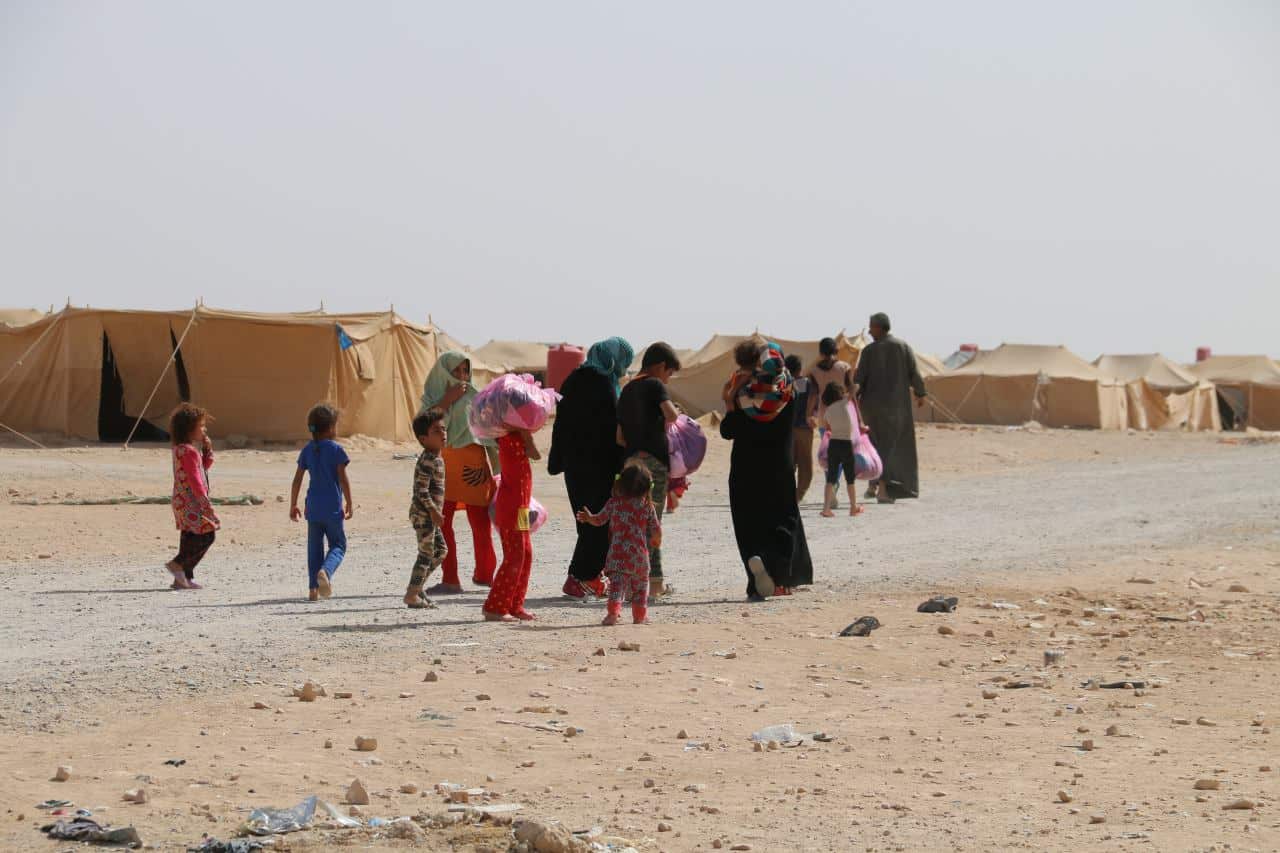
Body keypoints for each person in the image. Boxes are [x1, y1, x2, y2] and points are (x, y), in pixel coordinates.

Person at [719, 341, 813, 600]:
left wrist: (729, 403)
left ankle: (755, 578)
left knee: (748, 521)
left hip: (745, 466)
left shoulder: (739, 390)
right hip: (779, 465)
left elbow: (728, 431)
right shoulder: (786, 387)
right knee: (783, 518)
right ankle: (780, 580)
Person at [548, 336, 633, 600]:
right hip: (600, 465)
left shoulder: (573, 379)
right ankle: (580, 578)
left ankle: (591, 577)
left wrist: (557, 459)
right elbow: (612, 430)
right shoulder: (604, 386)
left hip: (575, 465)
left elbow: (560, 424)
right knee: (597, 521)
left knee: (587, 520)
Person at [420, 352, 498, 593]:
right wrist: (446, 400)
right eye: (456, 371)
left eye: (466, 371)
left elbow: (492, 435)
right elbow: (423, 425)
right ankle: (450, 578)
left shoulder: (477, 398)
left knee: (480, 522)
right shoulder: (432, 397)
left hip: (472, 466)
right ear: (443, 372)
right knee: (442, 523)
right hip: (443, 465)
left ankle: (485, 574)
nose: (462, 376)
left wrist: (498, 472)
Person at [616, 342, 681, 600]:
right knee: (653, 524)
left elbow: (620, 437)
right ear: (660, 366)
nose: (668, 378)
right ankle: (648, 586)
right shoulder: (655, 385)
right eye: (669, 373)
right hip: (653, 463)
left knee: (634, 523)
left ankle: (643, 584)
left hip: (631, 463)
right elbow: (672, 416)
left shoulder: (627, 388)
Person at [575, 460, 662, 626]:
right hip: (639, 557)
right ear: (647, 488)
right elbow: (656, 529)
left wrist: (588, 518)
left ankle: (613, 614)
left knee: (617, 588)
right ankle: (639, 616)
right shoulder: (646, 506)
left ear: (620, 483)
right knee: (641, 588)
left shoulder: (614, 503)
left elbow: (599, 520)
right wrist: (656, 541)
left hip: (618, 556)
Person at [854, 312, 927, 503]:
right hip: (897, 408)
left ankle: (879, 487)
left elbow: (859, 380)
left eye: (871, 327)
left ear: (879, 327)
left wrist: (852, 399)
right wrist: (920, 394)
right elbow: (915, 374)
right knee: (892, 447)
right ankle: (883, 489)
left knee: (876, 445)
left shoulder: (869, 351)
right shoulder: (903, 347)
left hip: (872, 408)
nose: (869, 331)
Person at [289, 403, 353, 601]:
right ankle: (326, 571)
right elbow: (342, 478)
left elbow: (298, 478)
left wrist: (293, 504)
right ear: (331, 428)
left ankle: (312, 590)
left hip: (313, 507)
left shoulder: (307, 450)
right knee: (338, 545)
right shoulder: (336, 450)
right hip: (332, 506)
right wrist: (349, 501)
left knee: (314, 548)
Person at [482, 426, 542, 622]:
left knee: (526, 554)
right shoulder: (505, 436)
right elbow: (535, 454)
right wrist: (524, 434)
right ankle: (495, 607)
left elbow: (535, 454)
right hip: (511, 507)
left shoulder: (519, 435)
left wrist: (526, 435)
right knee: (515, 555)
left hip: (521, 507)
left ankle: (515, 605)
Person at [167, 403, 218, 590]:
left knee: (188, 537)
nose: (204, 429)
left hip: (181, 501)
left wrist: (207, 449)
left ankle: (182, 578)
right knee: (207, 535)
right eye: (201, 425)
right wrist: (206, 504)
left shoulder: (180, 449)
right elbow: (196, 479)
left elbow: (203, 468)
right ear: (190, 428)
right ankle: (177, 564)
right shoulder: (189, 452)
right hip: (192, 501)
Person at [405, 410, 448, 609]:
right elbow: (420, 489)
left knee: (440, 551)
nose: (443, 433)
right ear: (423, 439)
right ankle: (412, 594)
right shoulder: (429, 459)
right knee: (426, 553)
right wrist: (433, 510)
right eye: (436, 431)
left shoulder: (436, 457)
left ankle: (418, 586)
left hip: (430, 516)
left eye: (443, 429)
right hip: (424, 515)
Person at [818, 382, 863, 518]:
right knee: (850, 478)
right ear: (839, 394)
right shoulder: (844, 402)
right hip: (846, 444)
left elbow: (828, 428)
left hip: (833, 444)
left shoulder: (827, 411)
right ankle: (853, 507)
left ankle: (826, 509)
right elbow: (856, 387)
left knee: (831, 477)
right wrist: (849, 390)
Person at [785, 354, 815, 504]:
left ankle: (786, 494)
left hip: (786, 430)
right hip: (804, 429)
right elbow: (814, 400)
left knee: (788, 463)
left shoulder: (783, 384)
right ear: (800, 368)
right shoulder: (808, 383)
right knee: (805, 465)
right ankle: (798, 495)